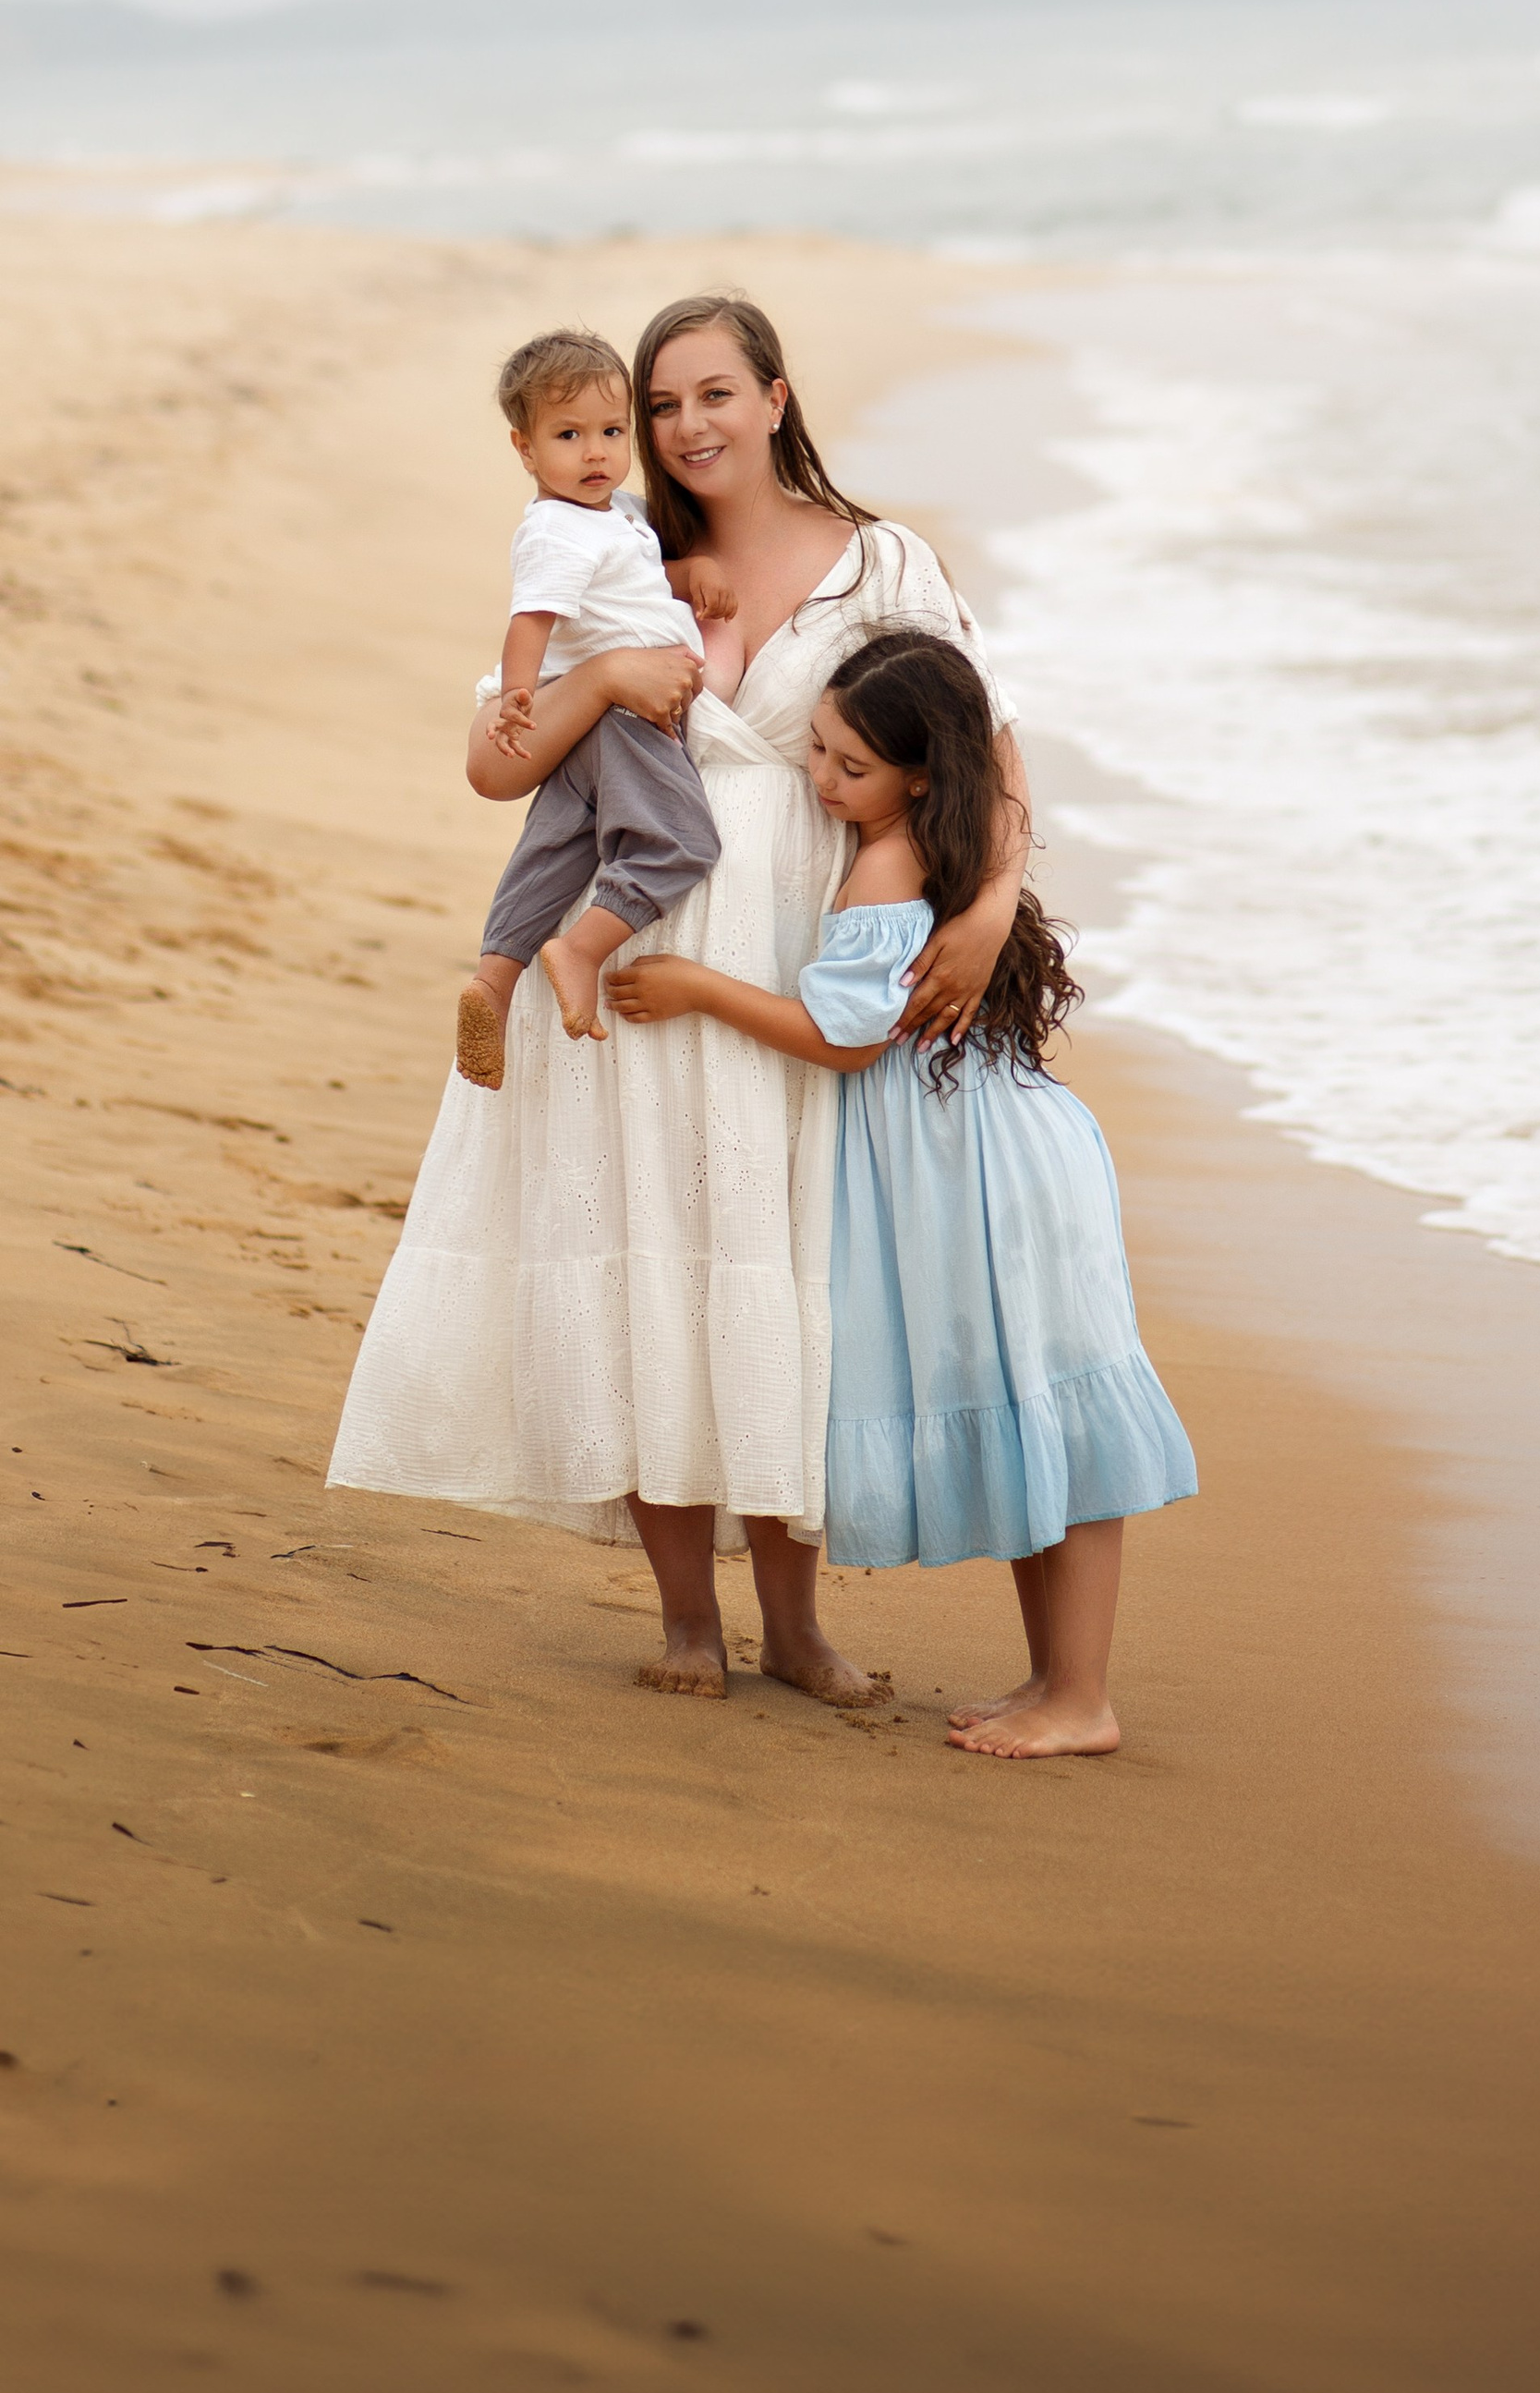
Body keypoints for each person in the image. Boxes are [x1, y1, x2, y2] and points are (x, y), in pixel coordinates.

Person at [329, 285, 1026, 1707]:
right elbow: (495, 764)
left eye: (717, 392)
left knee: (777, 1266)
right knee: (645, 1253)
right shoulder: (609, 555)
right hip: (629, 950)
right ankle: (685, 1623)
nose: (685, 424)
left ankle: (799, 1625)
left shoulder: (883, 565)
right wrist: (610, 682)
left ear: (777, 397)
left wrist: (994, 908)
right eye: (660, 403)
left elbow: (988, 753)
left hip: (794, 960)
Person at [610, 626, 1197, 1760]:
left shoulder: (888, 862)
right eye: (817, 750)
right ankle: (1057, 1681)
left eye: (849, 766)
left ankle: (1081, 1696)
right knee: (1039, 1404)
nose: (821, 780)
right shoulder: (954, 832)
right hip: (1000, 1152)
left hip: (979, 1169)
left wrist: (694, 985)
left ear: (919, 774)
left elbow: (841, 1039)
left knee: (1055, 1408)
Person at [455, 327, 741, 1092]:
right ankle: (581, 948)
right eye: (569, 435)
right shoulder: (554, 529)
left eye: (612, 433)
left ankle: (493, 977)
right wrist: (518, 699)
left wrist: (689, 572)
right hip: (617, 718)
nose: (595, 454)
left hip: (593, 722)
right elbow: (532, 618)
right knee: (680, 841)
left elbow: (633, 585)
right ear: (525, 449)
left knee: (557, 848)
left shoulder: (615, 515)